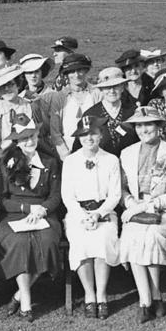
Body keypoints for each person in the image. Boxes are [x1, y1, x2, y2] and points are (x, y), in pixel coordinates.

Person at [0, 115, 61, 321]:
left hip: (43, 212)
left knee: (47, 241)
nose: (29, 142)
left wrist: (42, 210)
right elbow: (1, 199)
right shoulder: (5, 163)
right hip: (14, 214)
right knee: (20, 243)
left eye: (32, 136)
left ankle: (19, 294)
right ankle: (26, 302)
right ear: (17, 142)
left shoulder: (50, 161)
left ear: (38, 135)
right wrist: (26, 207)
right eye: (23, 139)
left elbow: (56, 196)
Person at [119, 106, 166, 323]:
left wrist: (144, 207)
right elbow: (121, 188)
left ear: (158, 127)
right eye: (139, 125)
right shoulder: (127, 153)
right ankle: (146, 300)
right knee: (132, 236)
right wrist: (131, 203)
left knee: (151, 236)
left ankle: (156, 294)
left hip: (165, 210)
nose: (144, 129)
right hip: (136, 208)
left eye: (148, 124)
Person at [62, 116, 121, 319]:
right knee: (81, 242)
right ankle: (89, 295)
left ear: (101, 135)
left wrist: (98, 214)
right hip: (78, 214)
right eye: (84, 134)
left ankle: (102, 295)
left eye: (93, 133)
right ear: (78, 137)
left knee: (103, 240)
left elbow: (115, 195)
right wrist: (83, 216)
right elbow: (67, 196)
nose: (89, 138)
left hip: (104, 212)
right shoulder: (70, 161)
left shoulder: (111, 160)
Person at [44, 53, 101, 161]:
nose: (76, 75)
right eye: (72, 71)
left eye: (80, 70)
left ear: (86, 70)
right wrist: (66, 156)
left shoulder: (96, 93)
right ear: (66, 74)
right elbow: (55, 132)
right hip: (68, 151)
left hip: (94, 150)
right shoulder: (59, 97)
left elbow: (102, 125)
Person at [73, 67, 138, 157]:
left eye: (116, 86)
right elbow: (79, 147)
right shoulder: (90, 114)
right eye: (107, 87)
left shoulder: (133, 112)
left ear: (122, 88)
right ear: (101, 90)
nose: (112, 91)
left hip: (130, 162)